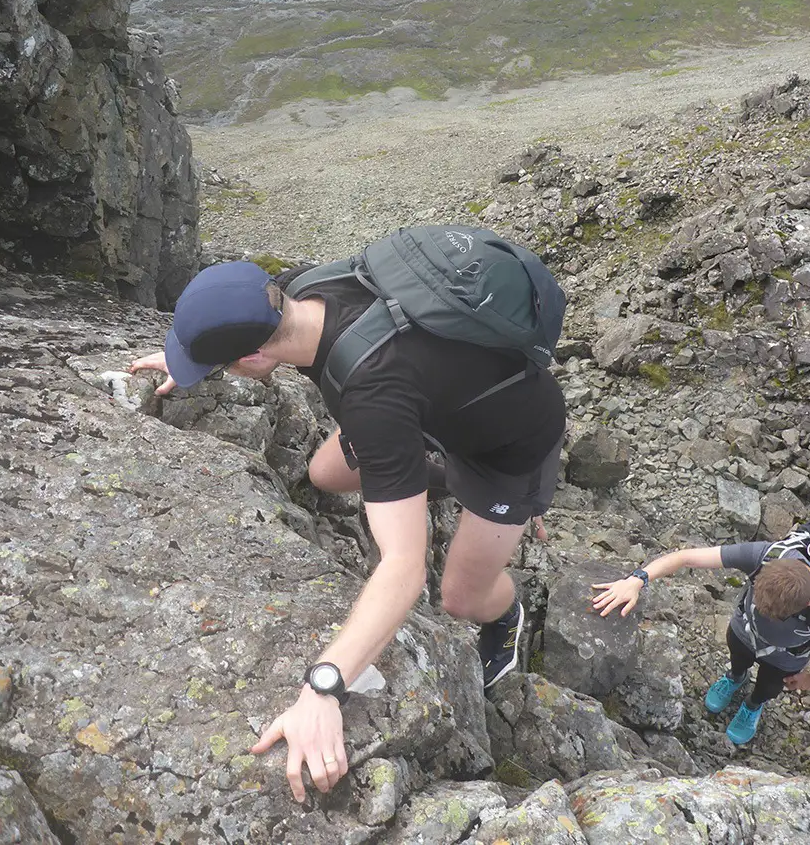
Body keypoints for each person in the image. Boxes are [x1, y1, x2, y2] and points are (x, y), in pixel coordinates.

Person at [130, 257, 566, 802]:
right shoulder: (303, 288)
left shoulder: (375, 398)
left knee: (458, 596)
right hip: (435, 397)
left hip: (510, 442)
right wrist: (193, 356)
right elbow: (248, 329)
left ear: (253, 355)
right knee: (325, 473)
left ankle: (507, 603)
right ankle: (444, 476)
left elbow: (404, 569)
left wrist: (323, 688)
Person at [591, 532, 810, 745]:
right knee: (738, 656)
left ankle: (754, 704)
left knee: (770, 687)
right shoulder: (764, 554)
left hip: (786, 657)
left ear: (808, 604)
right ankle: (735, 677)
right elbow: (684, 557)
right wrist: (637, 579)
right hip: (744, 628)